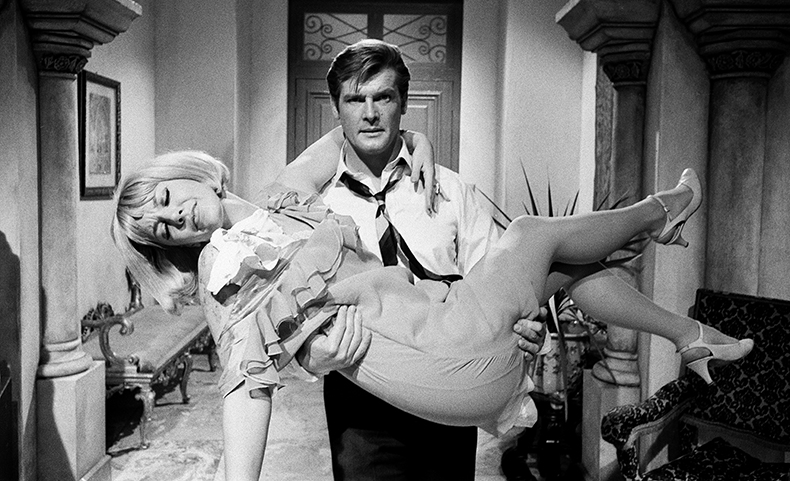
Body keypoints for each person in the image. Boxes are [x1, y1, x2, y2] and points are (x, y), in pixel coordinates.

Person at [112, 149, 752, 481]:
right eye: (161, 229)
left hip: (448, 332)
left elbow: (334, 140)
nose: (174, 218)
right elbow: (243, 389)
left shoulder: (280, 206)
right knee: (532, 233)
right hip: (444, 355)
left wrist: (414, 140)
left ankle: (691, 336)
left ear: (191, 175)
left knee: (566, 265)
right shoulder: (228, 271)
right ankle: (661, 211)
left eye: (166, 198)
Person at [301, 39, 506, 481]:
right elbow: (295, 303)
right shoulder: (314, 205)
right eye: (354, 100)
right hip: (361, 397)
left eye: (383, 97)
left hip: (450, 388)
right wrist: (308, 354)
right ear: (336, 109)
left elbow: (494, 282)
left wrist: (519, 325)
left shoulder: (452, 191)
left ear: (404, 103)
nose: (370, 113)